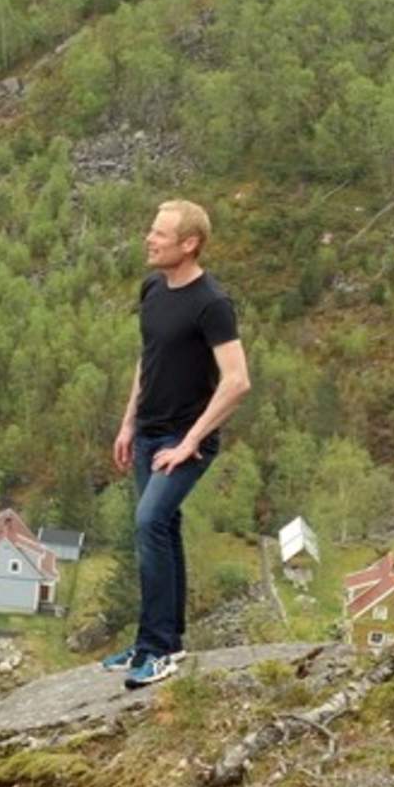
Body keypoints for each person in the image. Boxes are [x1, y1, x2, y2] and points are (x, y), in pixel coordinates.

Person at [104, 200, 251, 688]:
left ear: (189, 244)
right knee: (161, 528)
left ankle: (156, 649)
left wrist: (190, 442)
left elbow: (237, 381)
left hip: (184, 440)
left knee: (149, 524)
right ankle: (163, 643)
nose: (149, 238)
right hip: (148, 434)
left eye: (160, 233)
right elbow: (148, 362)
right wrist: (128, 425)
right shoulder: (152, 289)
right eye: (151, 230)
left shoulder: (212, 304)